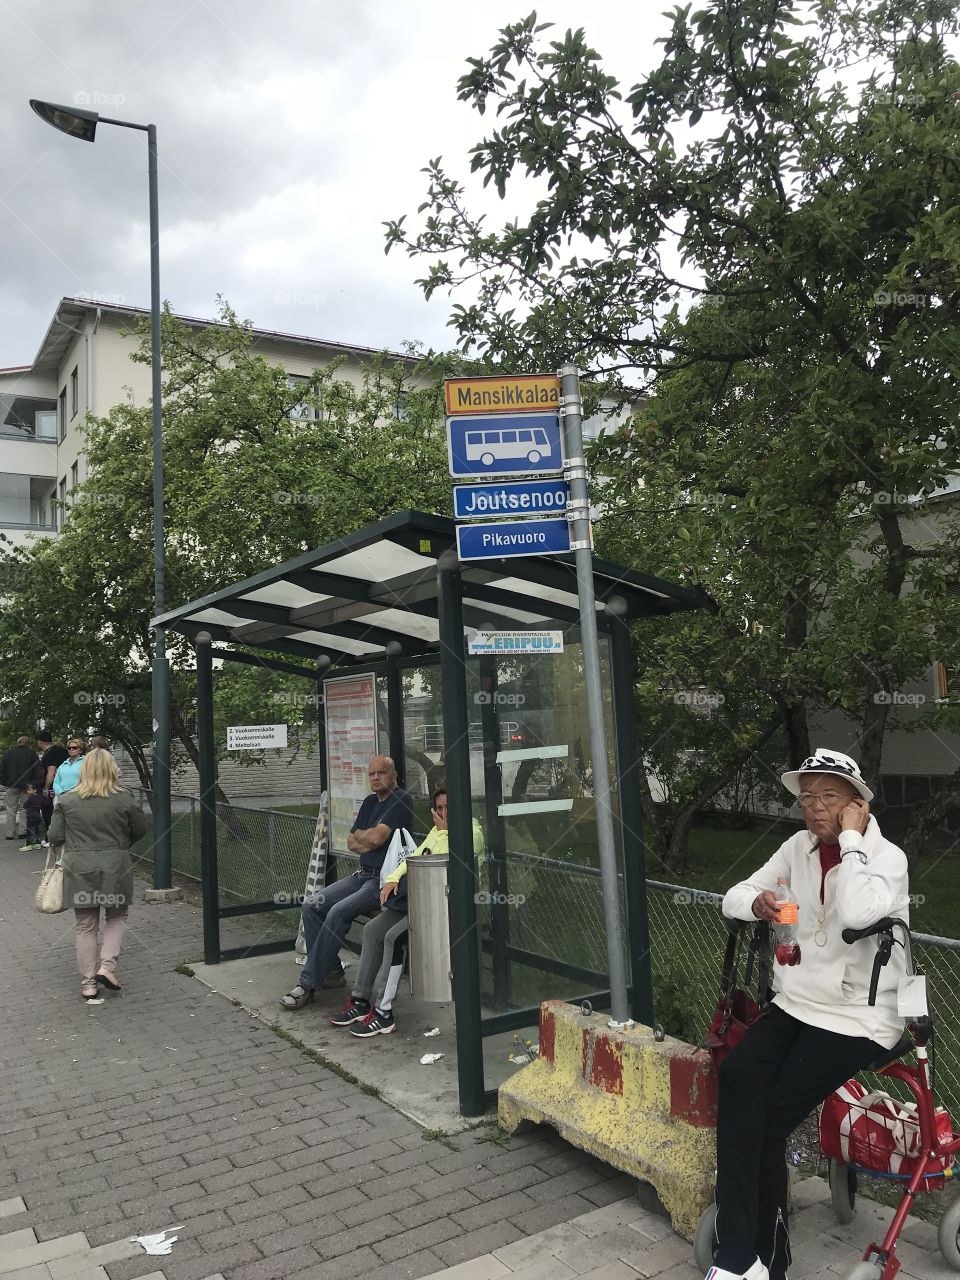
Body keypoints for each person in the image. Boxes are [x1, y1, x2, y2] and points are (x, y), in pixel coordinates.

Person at [707, 748, 909, 1280]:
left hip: (859, 1015)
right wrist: (757, 904)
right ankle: (737, 1253)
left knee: (770, 1118)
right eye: (807, 797)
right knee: (738, 1076)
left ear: (856, 805)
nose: (815, 808)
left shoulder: (885, 858)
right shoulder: (796, 848)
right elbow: (735, 892)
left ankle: (764, 1256)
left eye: (829, 797)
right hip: (798, 1003)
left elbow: (862, 912)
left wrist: (851, 842)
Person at [330, 785, 484, 1037]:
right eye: (440, 808)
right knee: (372, 930)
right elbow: (414, 857)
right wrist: (392, 878)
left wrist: (446, 831)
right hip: (418, 901)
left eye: (449, 808)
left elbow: (451, 859)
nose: (444, 814)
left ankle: (383, 1013)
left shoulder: (472, 832)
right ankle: (359, 1001)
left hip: (444, 910)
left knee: (394, 937)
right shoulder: (436, 832)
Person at [280, 755, 414, 1010]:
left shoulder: (401, 800)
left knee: (338, 912)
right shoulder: (369, 802)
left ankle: (308, 983)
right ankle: (331, 973)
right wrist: (368, 836)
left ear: (394, 775)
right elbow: (351, 843)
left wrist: (366, 836)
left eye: (381, 773)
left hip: (384, 882)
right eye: (371, 774)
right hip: (362, 874)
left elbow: (373, 840)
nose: (375, 778)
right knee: (312, 905)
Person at [47, 748, 147, 1001]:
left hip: (79, 867)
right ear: (112, 769)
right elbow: (140, 829)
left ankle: (88, 984)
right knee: (117, 915)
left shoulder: (67, 800)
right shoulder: (124, 797)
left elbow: (54, 837)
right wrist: (121, 844)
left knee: (85, 925)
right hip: (116, 865)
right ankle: (108, 968)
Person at [1, 735, 39, 841]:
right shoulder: (31, 754)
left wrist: (4, 782)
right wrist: (35, 783)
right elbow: (37, 770)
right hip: (27, 786)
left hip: (11, 785)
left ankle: (10, 833)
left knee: (11, 809)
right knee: (24, 808)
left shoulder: (8, 754)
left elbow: (2, 769)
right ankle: (22, 832)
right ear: (27, 743)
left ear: (18, 743)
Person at [19, 783, 46, 852]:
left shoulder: (31, 798)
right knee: (37, 830)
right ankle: (37, 843)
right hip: (38, 815)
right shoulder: (40, 797)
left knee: (30, 830)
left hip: (31, 816)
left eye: (29, 790)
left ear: (35, 790)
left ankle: (29, 844)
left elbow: (25, 805)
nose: (28, 791)